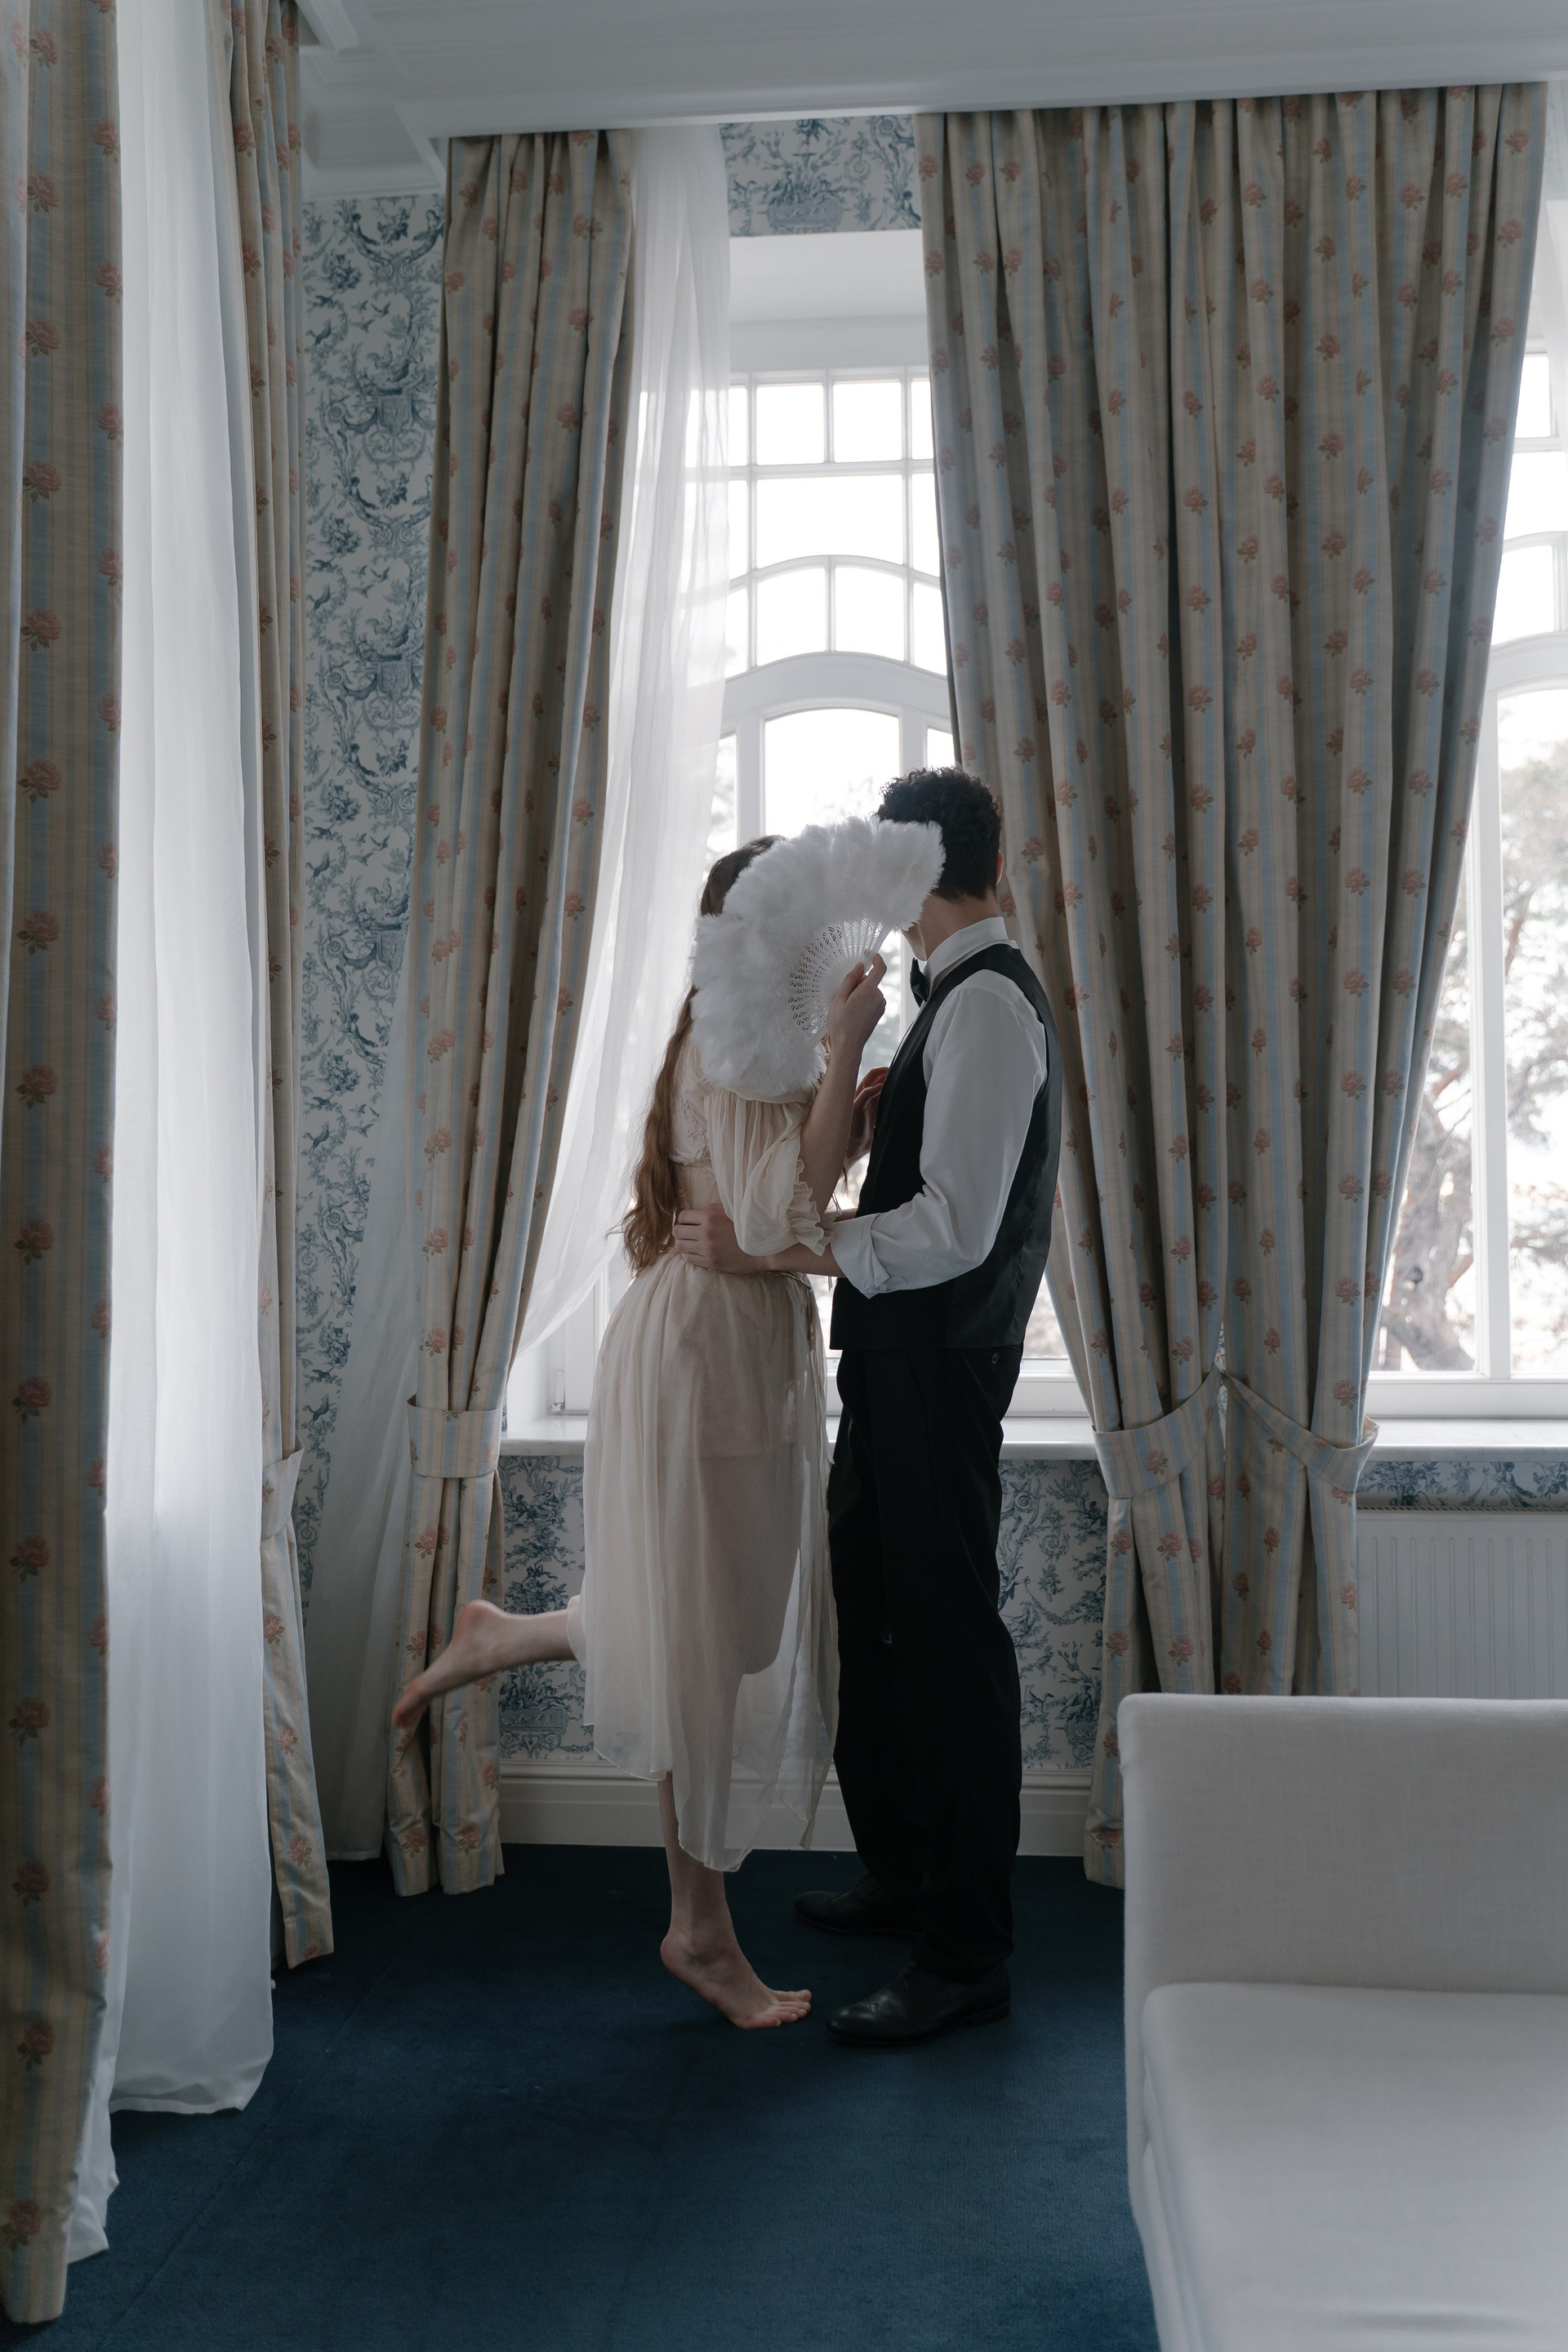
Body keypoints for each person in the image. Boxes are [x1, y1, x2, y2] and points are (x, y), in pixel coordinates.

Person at [392, 838, 888, 2031]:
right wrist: (845, 1061)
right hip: (705, 1351)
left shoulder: (743, 1038)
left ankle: (512, 1633)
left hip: (723, 1343)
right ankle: (698, 1929)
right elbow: (772, 1216)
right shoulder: (743, 1039)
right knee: (708, 1646)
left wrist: (842, 1115)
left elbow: (773, 1198)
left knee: (727, 1622)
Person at [675, 768, 1061, 2047]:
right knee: (869, 1622)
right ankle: (907, 1877)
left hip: (941, 1366)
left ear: (912, 872)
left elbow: (954, 1230)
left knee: (948, 1651)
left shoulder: (989, 1007)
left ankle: (966, 1954)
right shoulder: (954, 1002)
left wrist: (791, 1249)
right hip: (900, 1361)